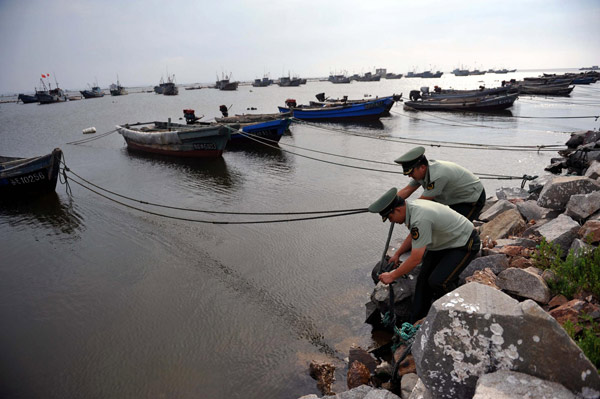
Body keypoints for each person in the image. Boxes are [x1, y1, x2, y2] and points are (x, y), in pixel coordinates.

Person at [368, 187, 481, 323]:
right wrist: (398, 253)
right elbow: (414, 236)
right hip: (445, 242)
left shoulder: (419, 217)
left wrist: (392, 275)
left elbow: (416, 259)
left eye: (390, 217)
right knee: (423, 281)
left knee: (438, 282)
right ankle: (416, 321)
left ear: (397, 210)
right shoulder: (412, 209)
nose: (392, 221)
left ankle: (459, 316)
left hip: (465, 242)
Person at [395, 146, 485, 222]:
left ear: (422, 167)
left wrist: (402, 211)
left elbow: (422, 201)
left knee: (456, 228)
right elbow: (407, 190)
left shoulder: (437, 175)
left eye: (411, 173)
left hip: (471, 198)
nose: (409, 176)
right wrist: (390, 203)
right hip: (452, 198)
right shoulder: (422, 172)